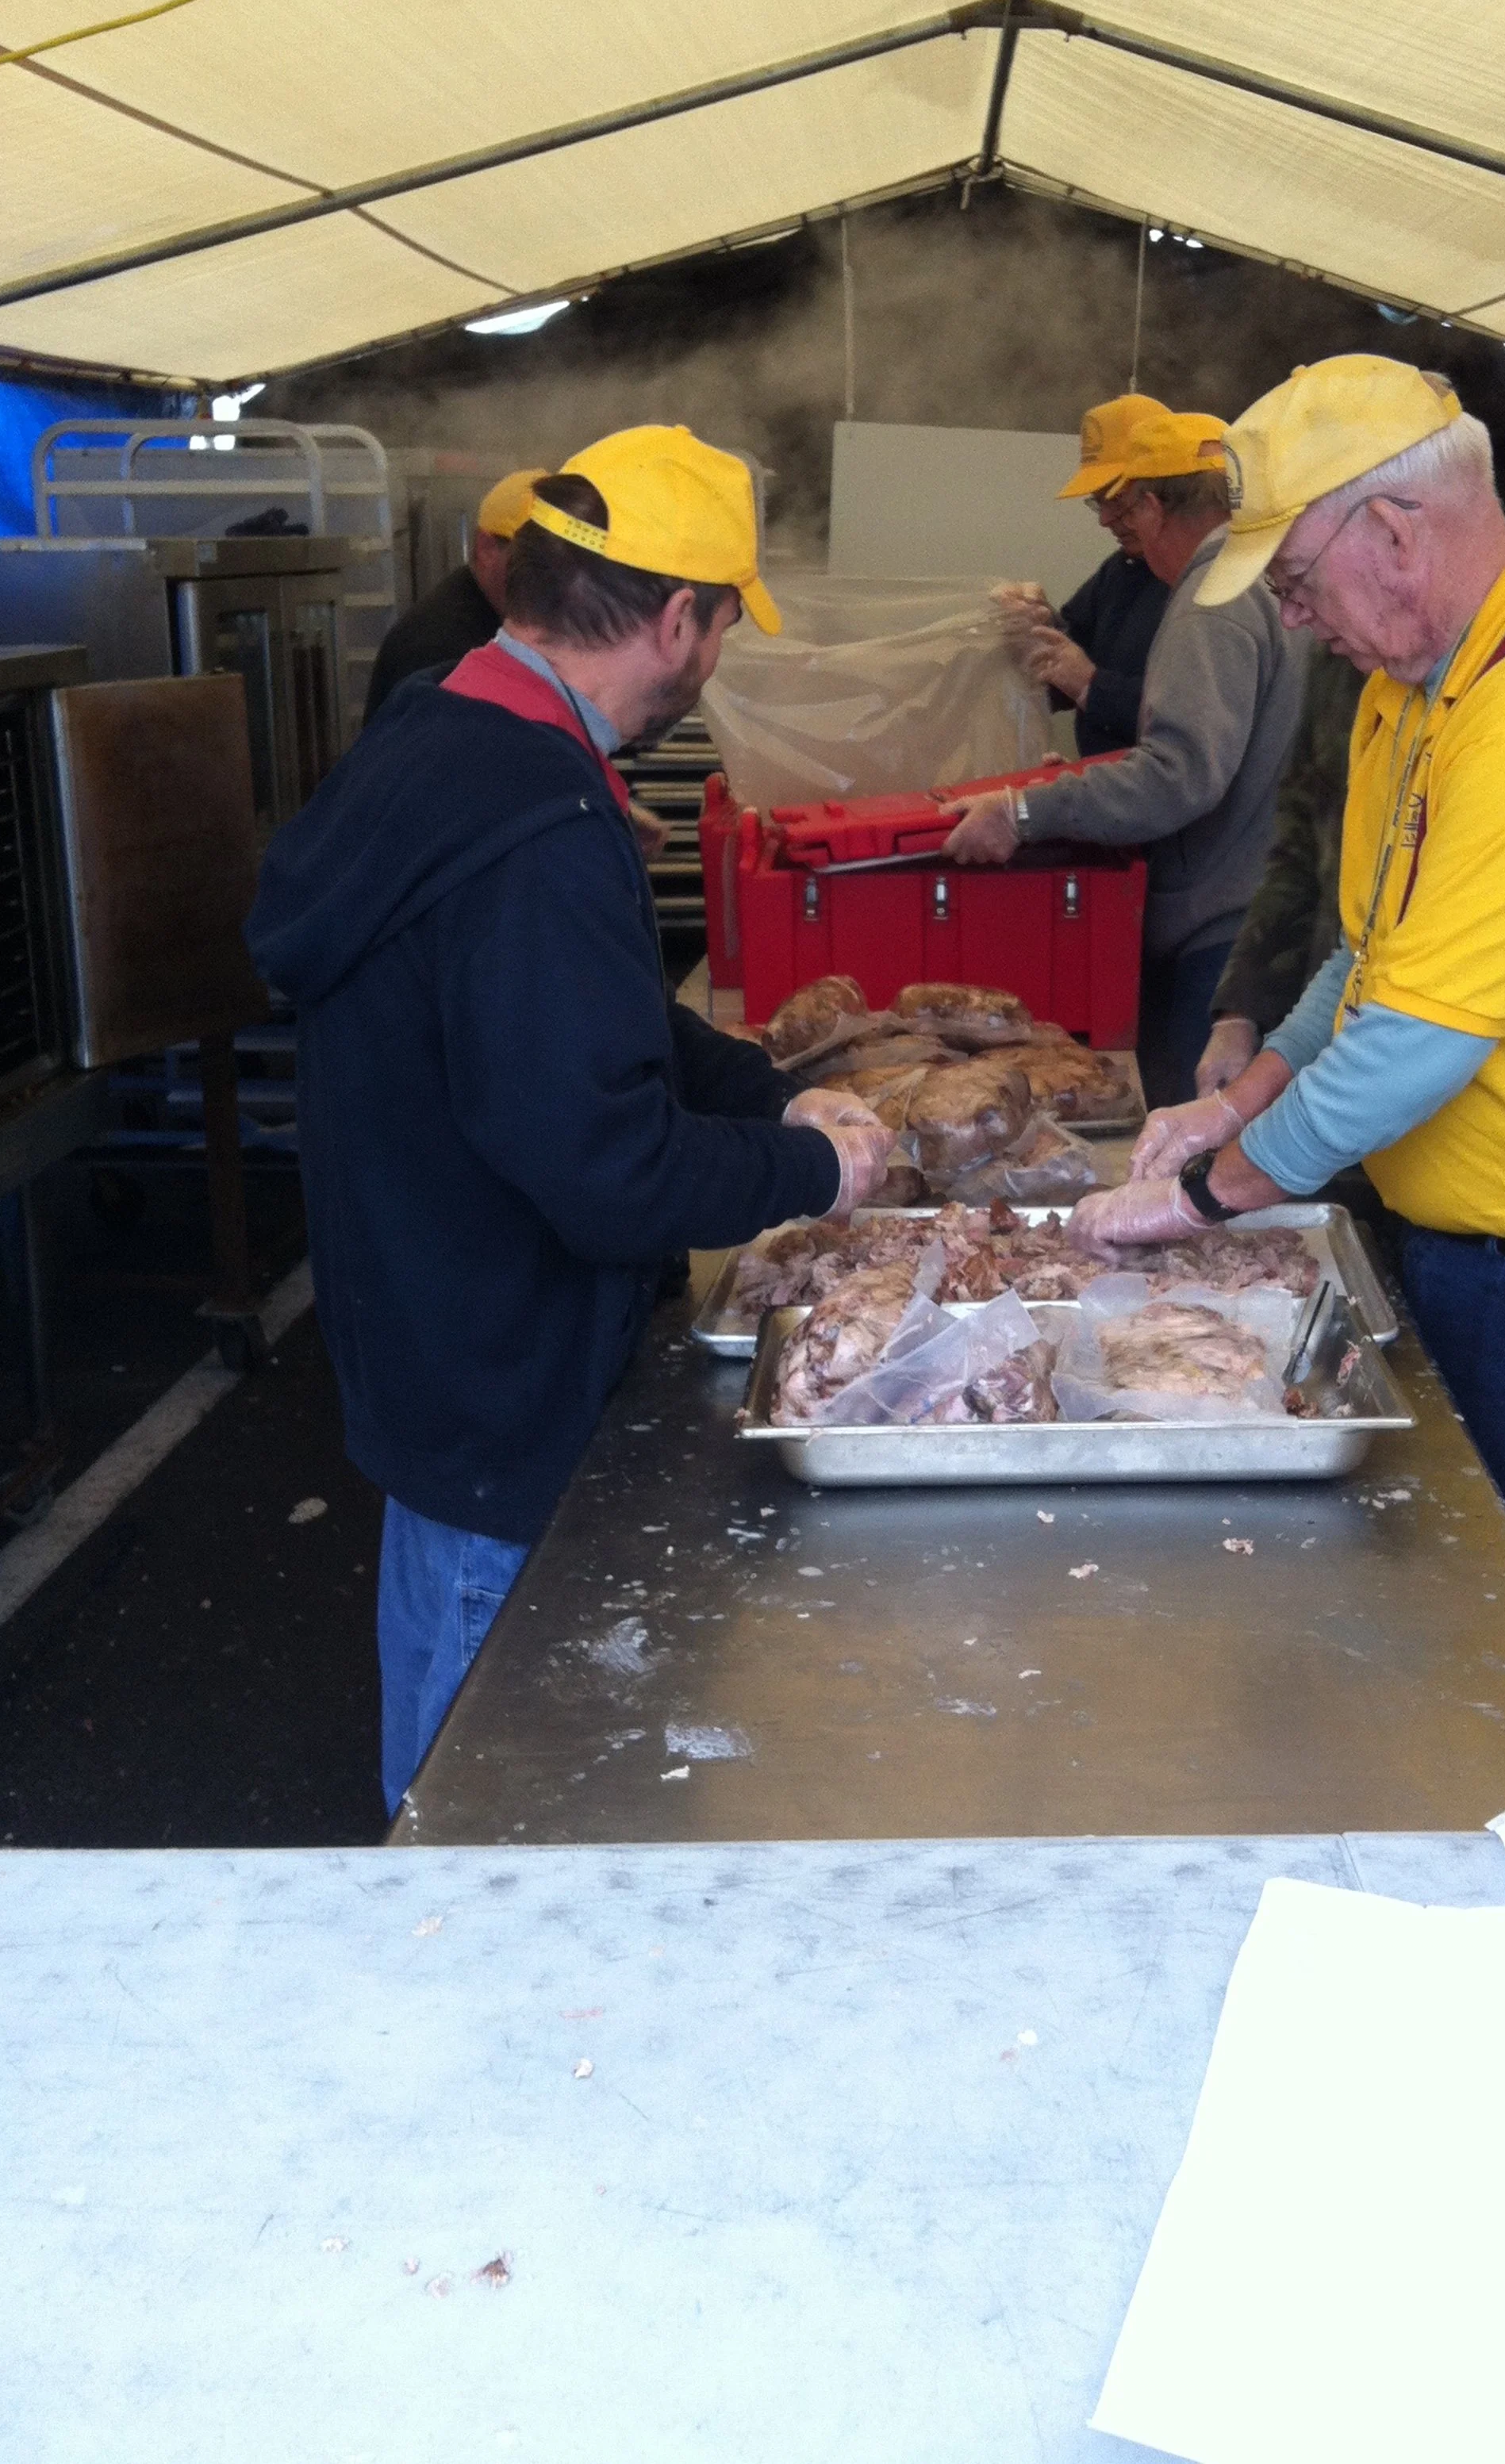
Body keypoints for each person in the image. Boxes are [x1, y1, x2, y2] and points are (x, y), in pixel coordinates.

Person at [1073, 354, 1505, 1704]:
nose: (1294, 622)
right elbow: (1370, 947)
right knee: (1474, 1645)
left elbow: (1412, 1041)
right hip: (1487, 1249)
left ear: (1394, 532)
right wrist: (1239, 1097)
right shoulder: (1418, 689)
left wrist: (1208, 1196)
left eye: (1293, 585)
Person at [246, 426, 893, 1814]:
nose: (713, 664)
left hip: (438, 1338)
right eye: (721, 631)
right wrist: (811, 1167)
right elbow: (601, 1166)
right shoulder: (533, 822)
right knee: (487, 1790)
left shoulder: (447, 726)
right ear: (677, 620)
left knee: (449, 1680)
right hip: (501, 1378)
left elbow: (596, 1027)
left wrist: (768, 1091)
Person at [944, 409, 1308, 1107]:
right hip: (1265, 920)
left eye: (1120, 508)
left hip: (1222, 942)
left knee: (1193, 1152)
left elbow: (1178, 776)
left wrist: (1023, 812)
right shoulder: (1265, 579)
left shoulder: (1214, 600)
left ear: (1151, 505)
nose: (1112, 525)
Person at [1196, 638, 1365, 1095]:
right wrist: (1239, 1014)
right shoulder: (1339, 658)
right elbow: (1298, 849)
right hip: (1322, 1033)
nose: (1291, 617)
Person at [995, 393, 1174, 756]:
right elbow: (1066, 669)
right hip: (1111, 791)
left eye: (1117, 500)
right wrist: (1037, 626)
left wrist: (1092, 687)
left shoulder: (1210, 587)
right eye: (1099, 501)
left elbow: (1195, 722)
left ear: (1162, 490)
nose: (1105, 519)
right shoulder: (1122, 570)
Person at [363, 466, 543, 720]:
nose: (558, 581)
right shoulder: (438, 649)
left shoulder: (495, 624)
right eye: (537, 561)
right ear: (487, 548)